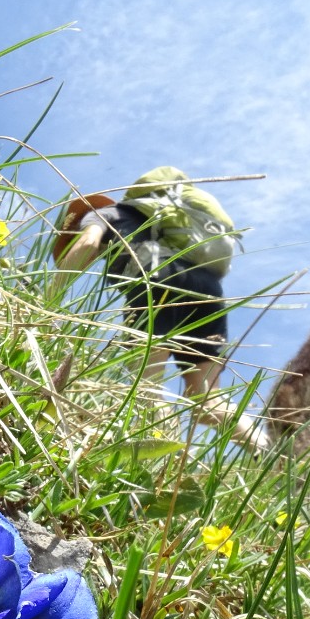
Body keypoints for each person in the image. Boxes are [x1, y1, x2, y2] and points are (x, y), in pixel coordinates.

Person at [52, 167, 262, 447]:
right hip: (209, 289)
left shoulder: (102, 214)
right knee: (207, 398)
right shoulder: (163, 221)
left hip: (157, 282)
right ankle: (271, 453)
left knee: (146, 389)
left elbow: (89, 243)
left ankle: (162, 466)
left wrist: (49, 297)